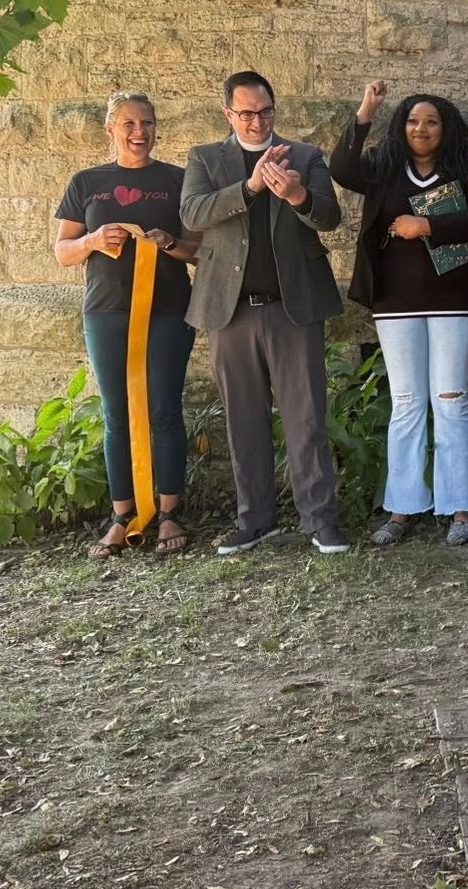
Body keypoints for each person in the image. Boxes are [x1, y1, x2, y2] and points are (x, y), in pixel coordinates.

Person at [181, 72, 349, 555]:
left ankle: (320, 521)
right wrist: (250, 187)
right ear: (228, 114)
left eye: (267, 111)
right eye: (248, 113)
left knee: (307, 418)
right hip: (229, 312)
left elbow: (329, 218)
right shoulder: (206, 158)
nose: (258, 121)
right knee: (244, 419)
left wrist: (298, 197)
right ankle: (255, 521)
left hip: (292, 308)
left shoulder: (305, 156)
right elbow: (192, 214)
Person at [332, 82, 468, 547]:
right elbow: (341, 168)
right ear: (400, 128)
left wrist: (426, 225)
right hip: (396, 302)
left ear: (446, 129)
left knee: (450, 400)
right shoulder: (384, 170)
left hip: (455, 298)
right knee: (406, 403)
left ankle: (460, 508)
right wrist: (366, 109)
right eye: (411, 121)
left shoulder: (464, 168)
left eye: (431, 121)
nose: (421, 129)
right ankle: (402, 508)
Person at [55, 92, 199, 558]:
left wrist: (170, 241)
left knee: (164, 411)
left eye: (148, 123)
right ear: (111, 130)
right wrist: (94, 239)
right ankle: (123, 516)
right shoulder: (86, 182)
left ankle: (170, 512)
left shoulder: (179, 180)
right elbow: (62, 252)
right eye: (130, 124)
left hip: (170, 312)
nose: (140, 133)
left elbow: (199, 250)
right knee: (116, 415)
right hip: (107, 313)